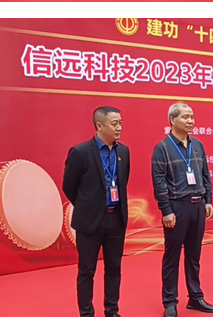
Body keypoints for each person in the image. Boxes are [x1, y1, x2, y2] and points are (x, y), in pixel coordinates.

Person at [62, 106, 130, 317]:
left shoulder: (123, 151)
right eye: (114, 123)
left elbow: (122, 182)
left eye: (120, 123)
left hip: (116, 219)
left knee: (114, 268)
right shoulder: (80, 152)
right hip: (90, 222)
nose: (119, 127)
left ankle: (112, 311)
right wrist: (87, 205)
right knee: (86, 270)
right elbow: (69, 186)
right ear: (99, 125)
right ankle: (87, 313)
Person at [151, 103, 213, 317]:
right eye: (185, 117)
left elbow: (205, 174)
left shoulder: (198, 145)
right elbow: (159, 182)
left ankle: (195, 296)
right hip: (176, 207)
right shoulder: (162, 147)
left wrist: (208, 199)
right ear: (172, 120)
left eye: (192, 117)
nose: (190, 121)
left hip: (198, 206)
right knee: (172, 256)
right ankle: (170, 301)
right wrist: (166, 210)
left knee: (194, 255)